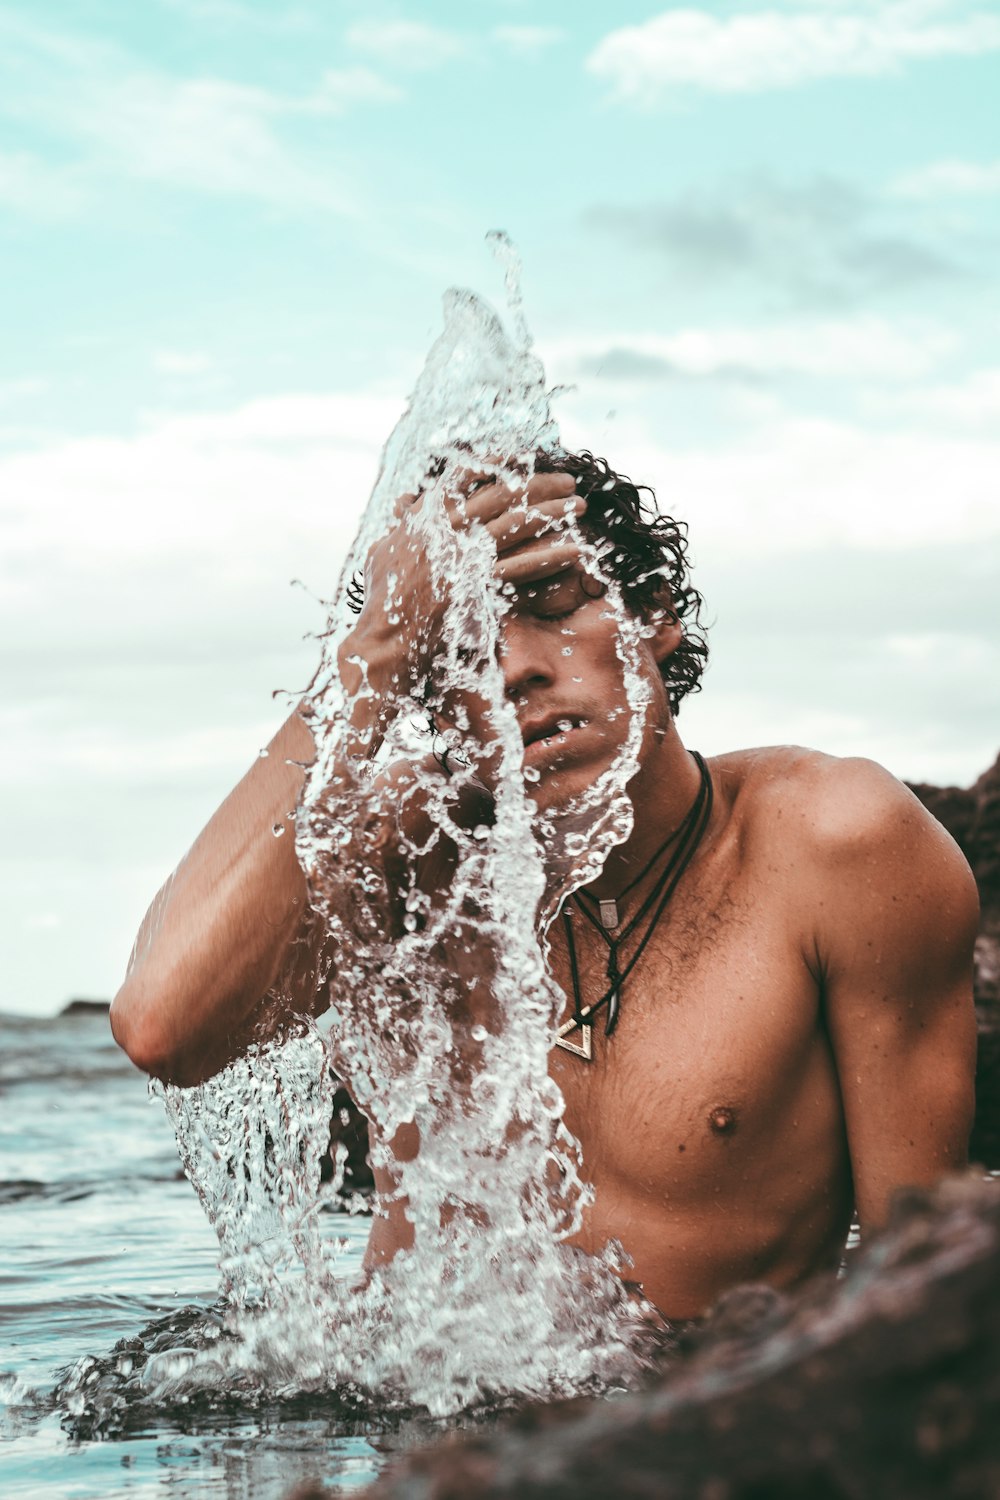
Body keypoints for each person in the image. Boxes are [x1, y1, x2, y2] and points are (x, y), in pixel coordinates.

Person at [111, 450, 979, 1320]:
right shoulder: (408, 863)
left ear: (653, 616)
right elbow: (163, 1026)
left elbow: (917, 1287)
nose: (514, 668)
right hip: (415, 1432)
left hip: (691, 1429)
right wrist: (371, 654)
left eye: (554, 602)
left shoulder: (831, 846)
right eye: (455, 645)